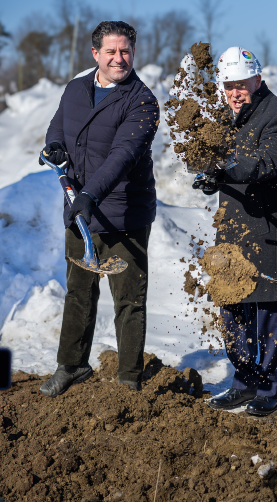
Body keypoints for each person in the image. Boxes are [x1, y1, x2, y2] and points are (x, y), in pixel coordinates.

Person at [38, 21, 159, 397]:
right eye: (111, 51)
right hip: (80, 207)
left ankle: (129, 378)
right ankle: (71, 365)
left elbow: (123, 155)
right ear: (95, 54)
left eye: (125, 51)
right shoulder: (75, 88)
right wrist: (55, 146)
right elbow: (58, 126)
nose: (119, 58)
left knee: (128, 298)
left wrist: (90, 194)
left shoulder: (142, 101)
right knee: (79, 290)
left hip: (124, 213)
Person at [199, 46, 277, 417]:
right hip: (231, 227)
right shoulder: (223, 119)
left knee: (268, 309)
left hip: (268, 225)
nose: (235, 92)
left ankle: (271, 387)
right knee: (232, 306)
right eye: (229, 86)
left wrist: (223, 168)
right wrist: (210, 176)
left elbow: (266, 163)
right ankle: (243, 382)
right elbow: (217, 164)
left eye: (242, 84)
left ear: (258, 80)